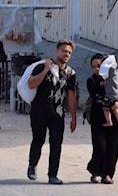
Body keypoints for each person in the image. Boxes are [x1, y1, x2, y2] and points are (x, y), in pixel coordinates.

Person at [26, 40, 79, 185]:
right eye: (64, 51)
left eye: (69, 52)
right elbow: (31, 84)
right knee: (39, 140)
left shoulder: (70, 73)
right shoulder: (44, 65)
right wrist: (44, 70)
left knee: (56, 143)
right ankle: (32, 165)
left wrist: (73, 117)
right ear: (57, 51)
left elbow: (71, 96)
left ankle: (53, 174)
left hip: (58, 114)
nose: (66, 54)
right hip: (39, 111)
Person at [86, 54, 118, 184]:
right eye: (93, 66)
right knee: (100, 147)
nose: (96, 69)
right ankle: (94, 170)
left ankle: (107, 174)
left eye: (99, 66)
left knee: (113, 147)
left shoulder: (112, 78)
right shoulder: (91, 80)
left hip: (115, 115)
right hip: (98, 117)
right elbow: (96, 97)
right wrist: (112, 103)